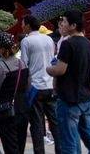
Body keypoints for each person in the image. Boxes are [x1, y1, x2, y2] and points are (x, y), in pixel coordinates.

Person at [46, 9, 90, 154]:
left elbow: (60, 70)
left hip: (69, 99)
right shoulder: (88, 43)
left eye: (65, 22)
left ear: (73, 25)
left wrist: (48, 69)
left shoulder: (68, 44)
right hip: (86, 97)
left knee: (68, 143)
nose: (62, 24)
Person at [0, 31, 30, 154]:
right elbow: (28, 84)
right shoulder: (22, 63)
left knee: (9, 144)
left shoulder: (1, 66)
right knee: (20, 143)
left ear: (0, 48)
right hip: (21, 108)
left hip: (5, 109)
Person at [19, 15, 57, 153]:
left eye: (23, 23)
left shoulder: (26, 41)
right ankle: (60, 149)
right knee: (54, 122)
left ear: (28, 26)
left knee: (36, 123)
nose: (22, 26)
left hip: (35, 87)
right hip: (50, 85)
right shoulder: (49, 39)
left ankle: (39, 151)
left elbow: (24, 64)